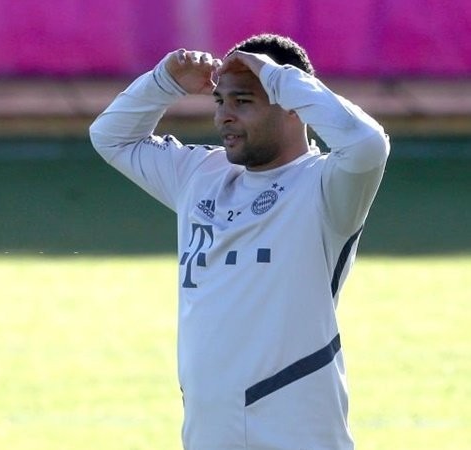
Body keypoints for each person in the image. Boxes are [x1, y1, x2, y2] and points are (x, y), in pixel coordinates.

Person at [89, 34, 389, 449]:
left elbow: (368, 145)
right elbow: (111, 137)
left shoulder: (325, 186)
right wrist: (163, 81)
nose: (223, 117)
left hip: (298, 432)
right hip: (209, 431)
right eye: (220, 101)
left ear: (293, 106)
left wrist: (279, 77)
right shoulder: (199, 175)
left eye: (242, 101)